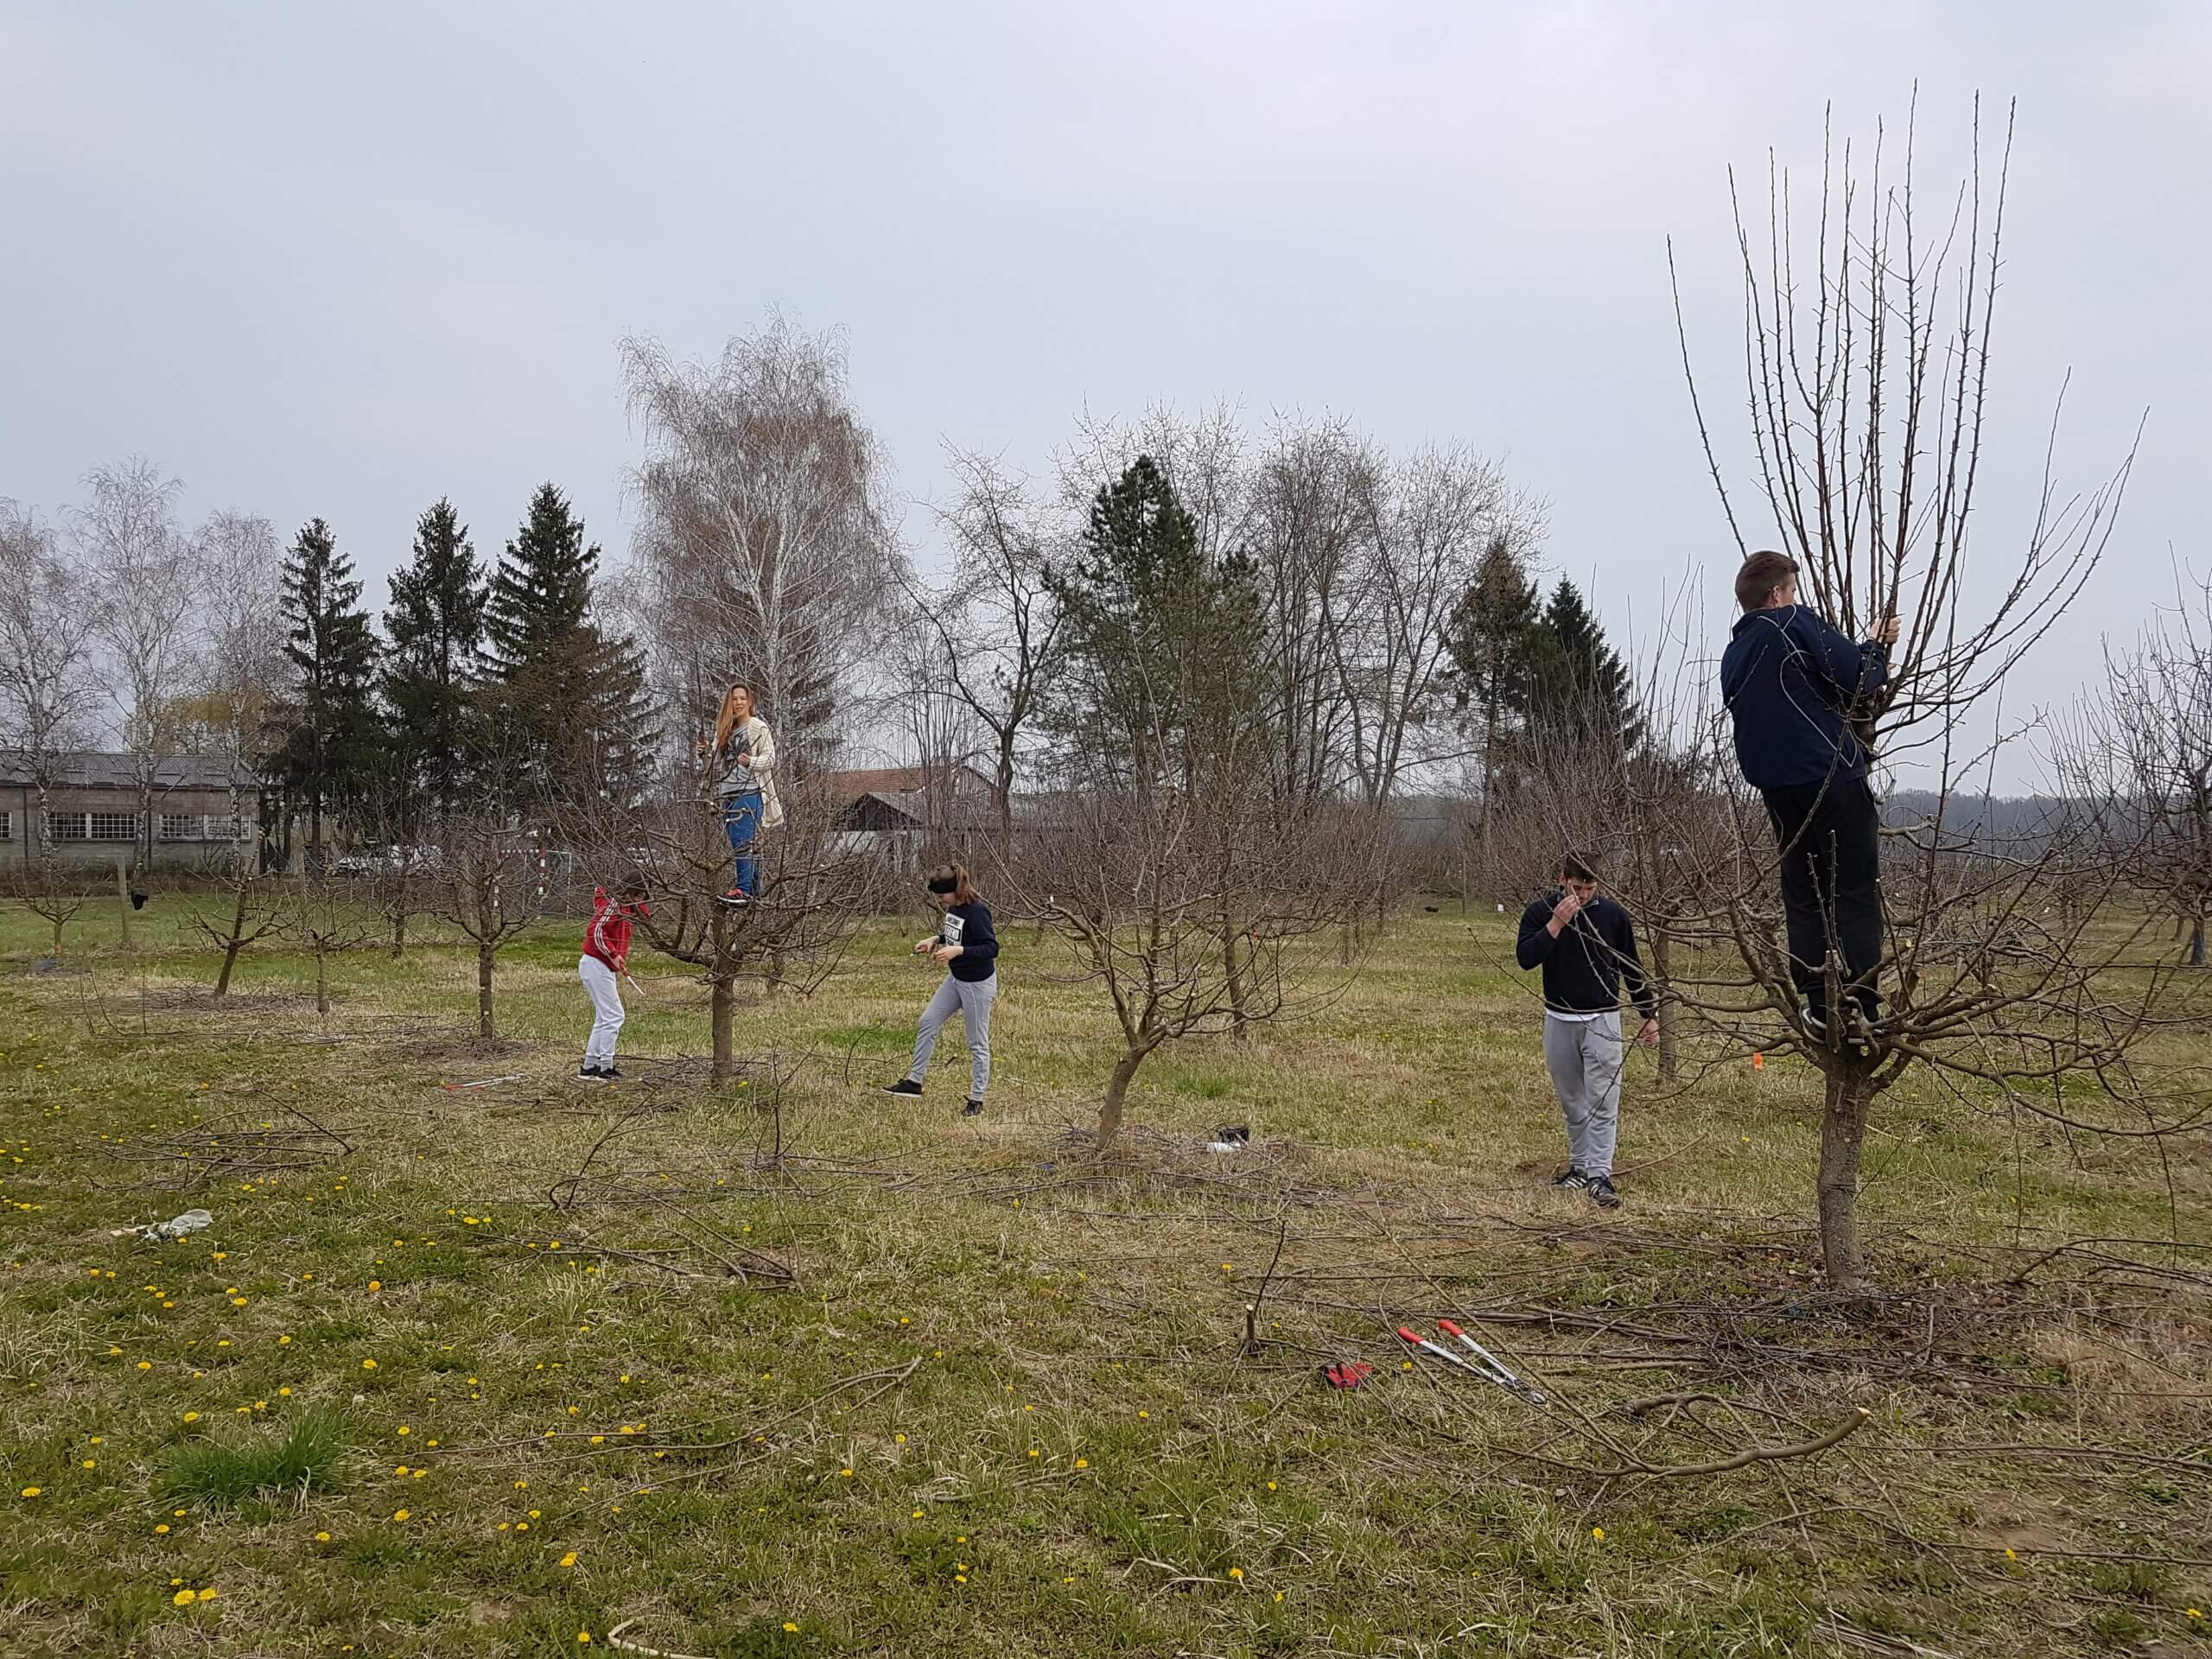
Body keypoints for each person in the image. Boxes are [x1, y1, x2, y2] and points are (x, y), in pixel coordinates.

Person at [1719, 550, 1900, 1041]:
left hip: (1778, 791)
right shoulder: (1793, 623)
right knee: (1854, 891)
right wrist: (1878, 647)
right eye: (1793, 589)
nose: (1796, 597)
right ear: (1778, 595)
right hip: (1831, 778)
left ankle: (1818, 1007)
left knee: (1803, 894)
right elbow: (1863, 678)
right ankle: (1864, 1007)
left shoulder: (1734, 654)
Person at [1515, 855, 1658, 1209]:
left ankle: (1600, 1175)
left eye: (1590, 889)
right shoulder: (1540, 911)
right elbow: (1525, 958)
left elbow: (1631, 966)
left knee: (1604, 1099)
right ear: (1562, 879)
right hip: (1559, 1017)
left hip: (1603, 1018)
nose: (1583, 895)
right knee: (1572, 1099)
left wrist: (1647, 1014)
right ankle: (1579, 1166)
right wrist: (1556, 924)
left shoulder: (1613, 916)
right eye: (1577, 888)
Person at [880, 862, 1000, 1118]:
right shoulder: (955, 907)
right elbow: (956, 933)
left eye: (942, 895)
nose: (941, 900)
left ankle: (977, 1099)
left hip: (977, 985)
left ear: (955, 889)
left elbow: (991, 948)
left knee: (976, 1042)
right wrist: (936, 939)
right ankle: (914, 1083)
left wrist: (959, 951)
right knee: (928, 1021)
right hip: (956, 979)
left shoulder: (978, 911)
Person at [700, 683, 783, 905]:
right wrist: (705, 753)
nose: (738, 702)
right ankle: (754, 891)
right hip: (727, 793)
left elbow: (770, 758)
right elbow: (714, 764)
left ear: (750, 702)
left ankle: (743, 890)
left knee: (742, 841)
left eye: (742, 698)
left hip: (750, 791)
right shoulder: (725, 730)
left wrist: (752, 761)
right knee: (742, 842)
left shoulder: (757, 727)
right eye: (734, 699)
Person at [578, 875, 649, 1083]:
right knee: (614, 1016)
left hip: (600, 965)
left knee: (604, 1017)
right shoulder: (613, 905)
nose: (638, 901)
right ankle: (605, 1067)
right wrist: (613, 954)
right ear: (628, 891)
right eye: (637, 896)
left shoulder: (627, 908)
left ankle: (590, 1066)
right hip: (596, 963)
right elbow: (595, 931)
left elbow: (645, 916)